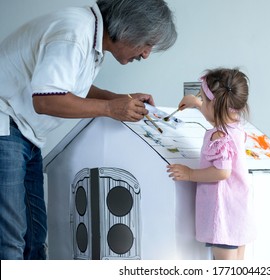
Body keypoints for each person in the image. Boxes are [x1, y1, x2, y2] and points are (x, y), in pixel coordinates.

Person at [0, 0, 177, 260]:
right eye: (147, 43)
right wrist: (110, 108)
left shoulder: (89, 36)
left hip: (24, 132)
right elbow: (46, 99)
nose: (146, 54)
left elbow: (69, 86)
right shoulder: (74, 33)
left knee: (35, 237)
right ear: (129, 28)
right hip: (7, 125)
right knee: (11, 238)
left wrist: (118, 98)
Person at [167, 68, 256, 260]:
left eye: (204, 99)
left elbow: (222, 172)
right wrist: (198, 104)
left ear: (215, 105)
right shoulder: (235, 125)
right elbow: (216, 111)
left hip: (223, 212)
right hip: (237, 210)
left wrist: (190, 174)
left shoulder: (219, 136)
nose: (202, 102)